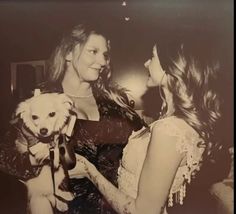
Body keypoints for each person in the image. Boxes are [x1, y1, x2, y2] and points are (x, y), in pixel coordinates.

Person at [69, 38, 227, 214]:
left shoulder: (169, 130)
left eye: (152, 57)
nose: (146, 63)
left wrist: (90, 172)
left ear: (172, 67)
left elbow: (143, 211)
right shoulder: (173, 122)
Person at [0, 22, 145, 214]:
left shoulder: (115, 102)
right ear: (68, 53)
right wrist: (41, 162)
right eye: (93, 51)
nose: (102, 61)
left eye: (105, 54)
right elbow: (5, 157)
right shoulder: (41, 100)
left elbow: (147, 142)